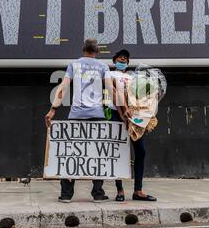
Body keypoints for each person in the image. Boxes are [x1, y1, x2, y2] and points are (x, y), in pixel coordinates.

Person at [45, 38, 113, 203]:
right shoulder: (103, 67)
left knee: (71, 153)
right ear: (97, 51)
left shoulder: (73, 65)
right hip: (97, 114)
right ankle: (98, 194)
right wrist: (125, 112)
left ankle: (66, 195)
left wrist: (53, 108)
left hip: (76, 114)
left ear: (83, 49)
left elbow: (63, 88)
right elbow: (111, 90)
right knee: (98, 153)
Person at [110, 49, 157, 202]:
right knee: (118, 153)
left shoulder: (133, 77)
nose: (123, 60)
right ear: (114, 60)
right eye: (120, 58)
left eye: (125, 59)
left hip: (135, 117)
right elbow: (114, 94)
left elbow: (142, 95)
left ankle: (138, 190)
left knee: (141, 151)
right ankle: (120, 190)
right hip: (117, 115)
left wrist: (148, 108)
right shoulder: (110, 75)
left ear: (128, 62)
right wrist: (123, 111)